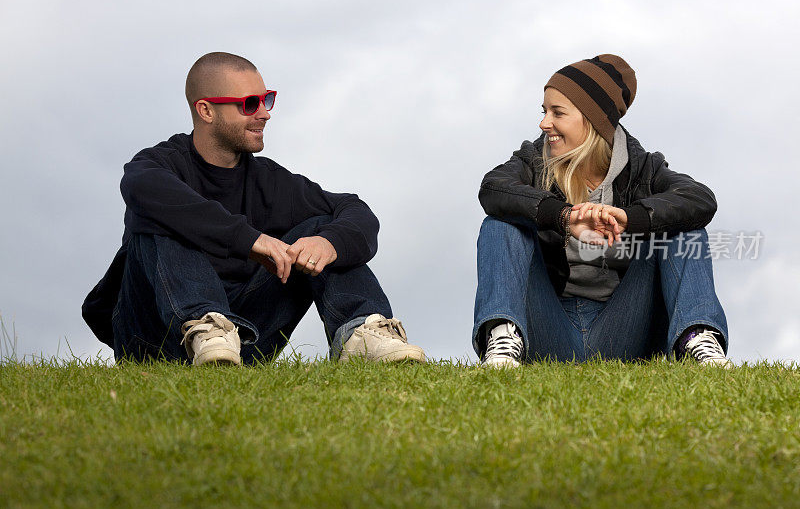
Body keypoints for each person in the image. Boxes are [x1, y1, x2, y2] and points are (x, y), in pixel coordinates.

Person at [83, 52, 426, 366]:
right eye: (249, 104)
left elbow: (355, 210)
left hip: (243, 341)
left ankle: (362, 335)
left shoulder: (272, 183)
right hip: (153, 340)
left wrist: (330, 243)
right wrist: (249, 240)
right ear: (206, 110)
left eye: (267, 99)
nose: (265, 113)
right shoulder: (156, 167)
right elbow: (142, 189)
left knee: (322, 229)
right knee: (161, 223)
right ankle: (206, 328)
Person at [473, 54, 730, 369]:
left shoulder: (643, 169)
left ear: (591, 119)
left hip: (625, 330)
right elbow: (494, 188)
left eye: (557, 113)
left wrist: (631, 218)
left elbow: (699, 199)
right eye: (544, 111)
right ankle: (503, 345)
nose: (544, 123)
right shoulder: (534, 159)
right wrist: (563, 216)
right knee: (501, 224)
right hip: (547, 327)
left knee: (685, 229)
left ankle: (697, 340)